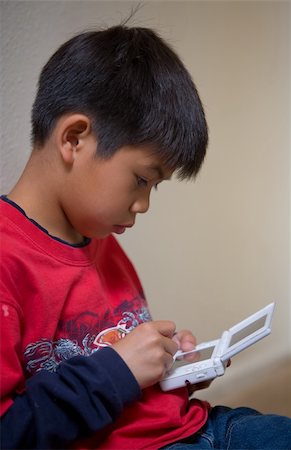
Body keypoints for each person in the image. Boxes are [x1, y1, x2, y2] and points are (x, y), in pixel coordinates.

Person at [0, 24, 290, 450]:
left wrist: (170, 370)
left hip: (196, 427)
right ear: (74, 138)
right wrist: (117, 371)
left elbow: (131, 385)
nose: (144, 205)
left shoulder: (100, 238)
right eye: (141, 179)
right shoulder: (9, 260)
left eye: (153, 187)